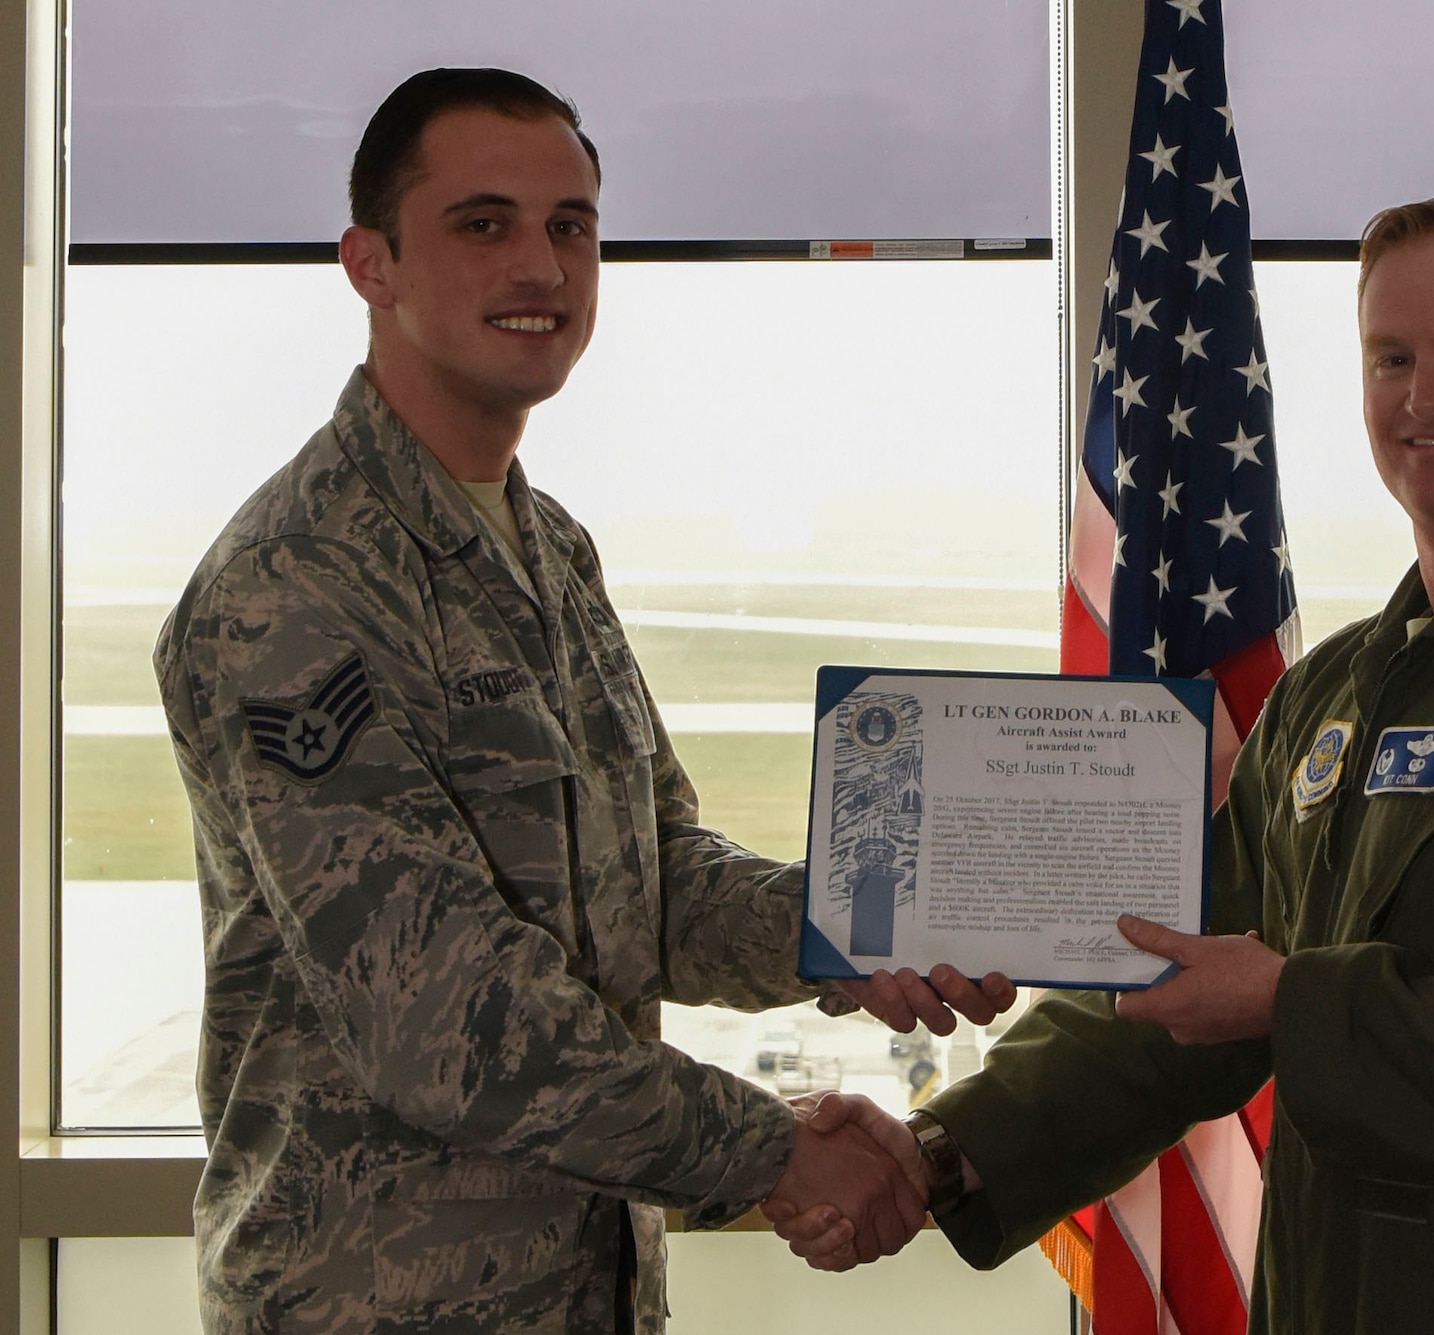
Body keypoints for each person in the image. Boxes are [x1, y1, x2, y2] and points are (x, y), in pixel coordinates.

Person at [774, 196, 1434, 1334]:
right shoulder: (1336, 693)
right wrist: (939, 1154)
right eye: (1390, 357)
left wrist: (1289, 999)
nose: (1424, 396)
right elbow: (1171, 986)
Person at [154, 67, 1006, 1334]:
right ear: (369, 264)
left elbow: (654, 883)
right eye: (482, 223)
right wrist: (775, 1148)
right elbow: (445, 1010)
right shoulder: (294, 584)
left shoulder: (547, 548)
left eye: (571, 225)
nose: (541, 267)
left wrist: (855, 926)